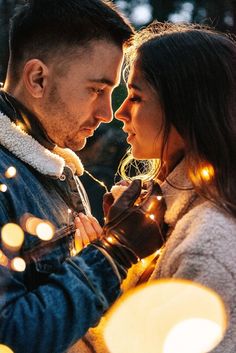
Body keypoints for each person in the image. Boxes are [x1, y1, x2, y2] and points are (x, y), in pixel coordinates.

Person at [0, 2, 167, 352]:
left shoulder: (53, 165)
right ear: (37, 79)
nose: (108, 113)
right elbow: (13, 334)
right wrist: (115, 252)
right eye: (96, 89)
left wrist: (107, 251)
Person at [75, 22, 236, 353]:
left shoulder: (206, 245)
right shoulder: (165, 217)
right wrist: (112, 251)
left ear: (188, 109)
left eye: (135, 97)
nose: (118, 112)